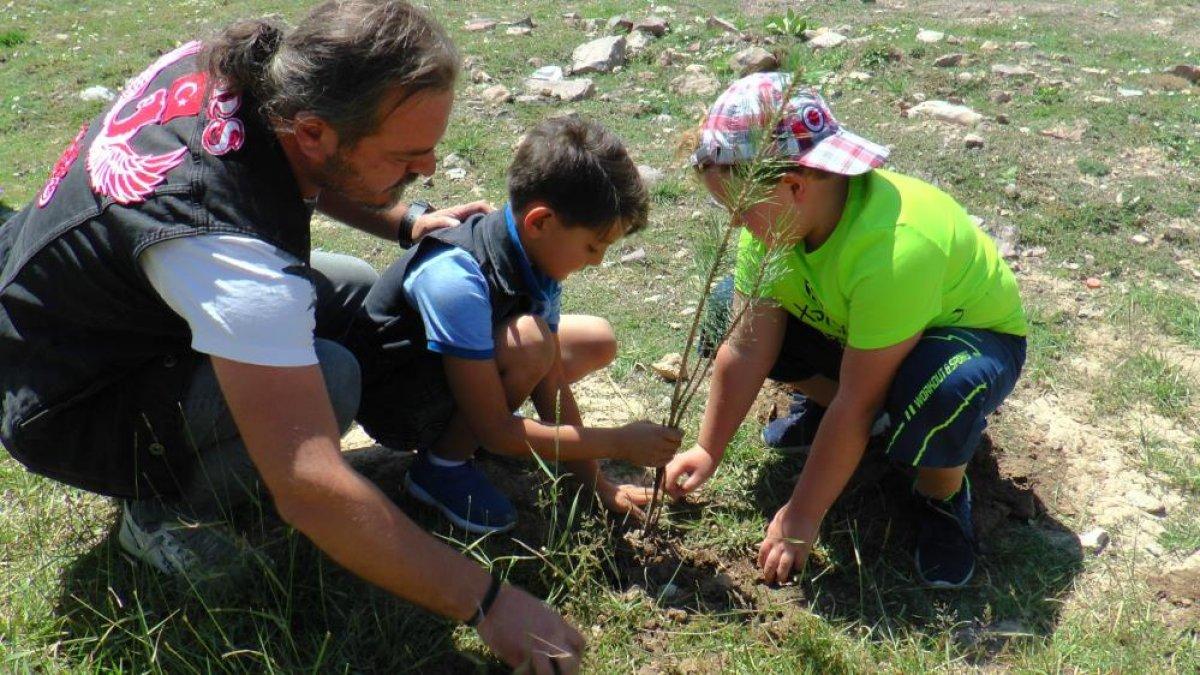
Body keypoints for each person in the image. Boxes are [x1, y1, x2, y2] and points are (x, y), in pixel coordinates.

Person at [0, 2, 583, 671]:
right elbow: (309, 484)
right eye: (406, 154)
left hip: (76, 299)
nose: (426, 168)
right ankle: (158, 513)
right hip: (65, 393)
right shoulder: (229, 250)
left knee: (350, 283)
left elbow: (312, 167)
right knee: (330, 379)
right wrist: (488, 601)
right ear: (314, 130)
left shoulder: (250, 69)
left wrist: (401, 221)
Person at [664, 72, 1028, 589]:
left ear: (793, 187)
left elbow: (858, 399)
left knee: (940, 391)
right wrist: (708, 449)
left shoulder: (894, 248)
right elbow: (746, 351)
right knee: (731, 305)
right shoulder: (779, 227)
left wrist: (802, 515)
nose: (736, 226)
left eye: (741, 211)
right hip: (864, 334)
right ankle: (847, 418)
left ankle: (941, 495)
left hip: (965, 343)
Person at [346, 115, 683, 533]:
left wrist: (596, 485)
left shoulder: (533, 257)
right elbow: (496, 431)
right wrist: (617, 441)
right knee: (529, 342)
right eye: (593, 246)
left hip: (453, 374)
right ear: (540, 222)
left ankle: (465, 434)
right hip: (400, 406)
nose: (596, 261)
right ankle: (440, 467)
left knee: (589, 339)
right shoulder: (455, 278)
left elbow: (552, 379)